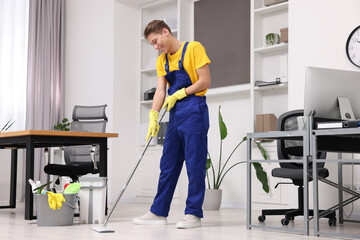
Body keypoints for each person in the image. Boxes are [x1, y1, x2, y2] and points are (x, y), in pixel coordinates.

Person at [133, 20, 211, 229]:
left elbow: (204, 81)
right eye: (153, 45)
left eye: (156, 41)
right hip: (175, 113)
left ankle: (193, 214)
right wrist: (153, 115)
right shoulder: (162, 61)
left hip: (194, 109)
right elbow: (160, 91)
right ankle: (158, 212)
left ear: (165, 32)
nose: (156, 47)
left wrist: (181, 92)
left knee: (195, 164)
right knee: (168, 165)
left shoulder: (193, 48)